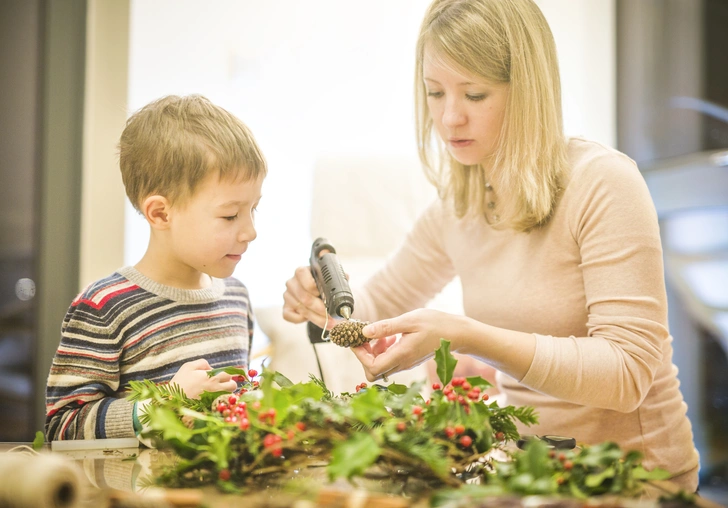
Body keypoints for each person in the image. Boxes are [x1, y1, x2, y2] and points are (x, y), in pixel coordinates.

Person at [282, 0, 699, 491]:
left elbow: (627, 375)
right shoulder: (457, 208)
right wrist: (323, 302)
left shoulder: (603, 183)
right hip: (530, 473)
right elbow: (374, 308)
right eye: (435, 93)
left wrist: (467, 335)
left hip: (637, 481)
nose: (450, 118)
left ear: (527, 92)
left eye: (475, 94)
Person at [46, 94, 266, 441]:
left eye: (254, 208)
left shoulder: (236, 299)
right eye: (230, 215)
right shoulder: (104, 307)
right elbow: (63, 427)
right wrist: (163, 403)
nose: (251, 231)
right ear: (161, 213)